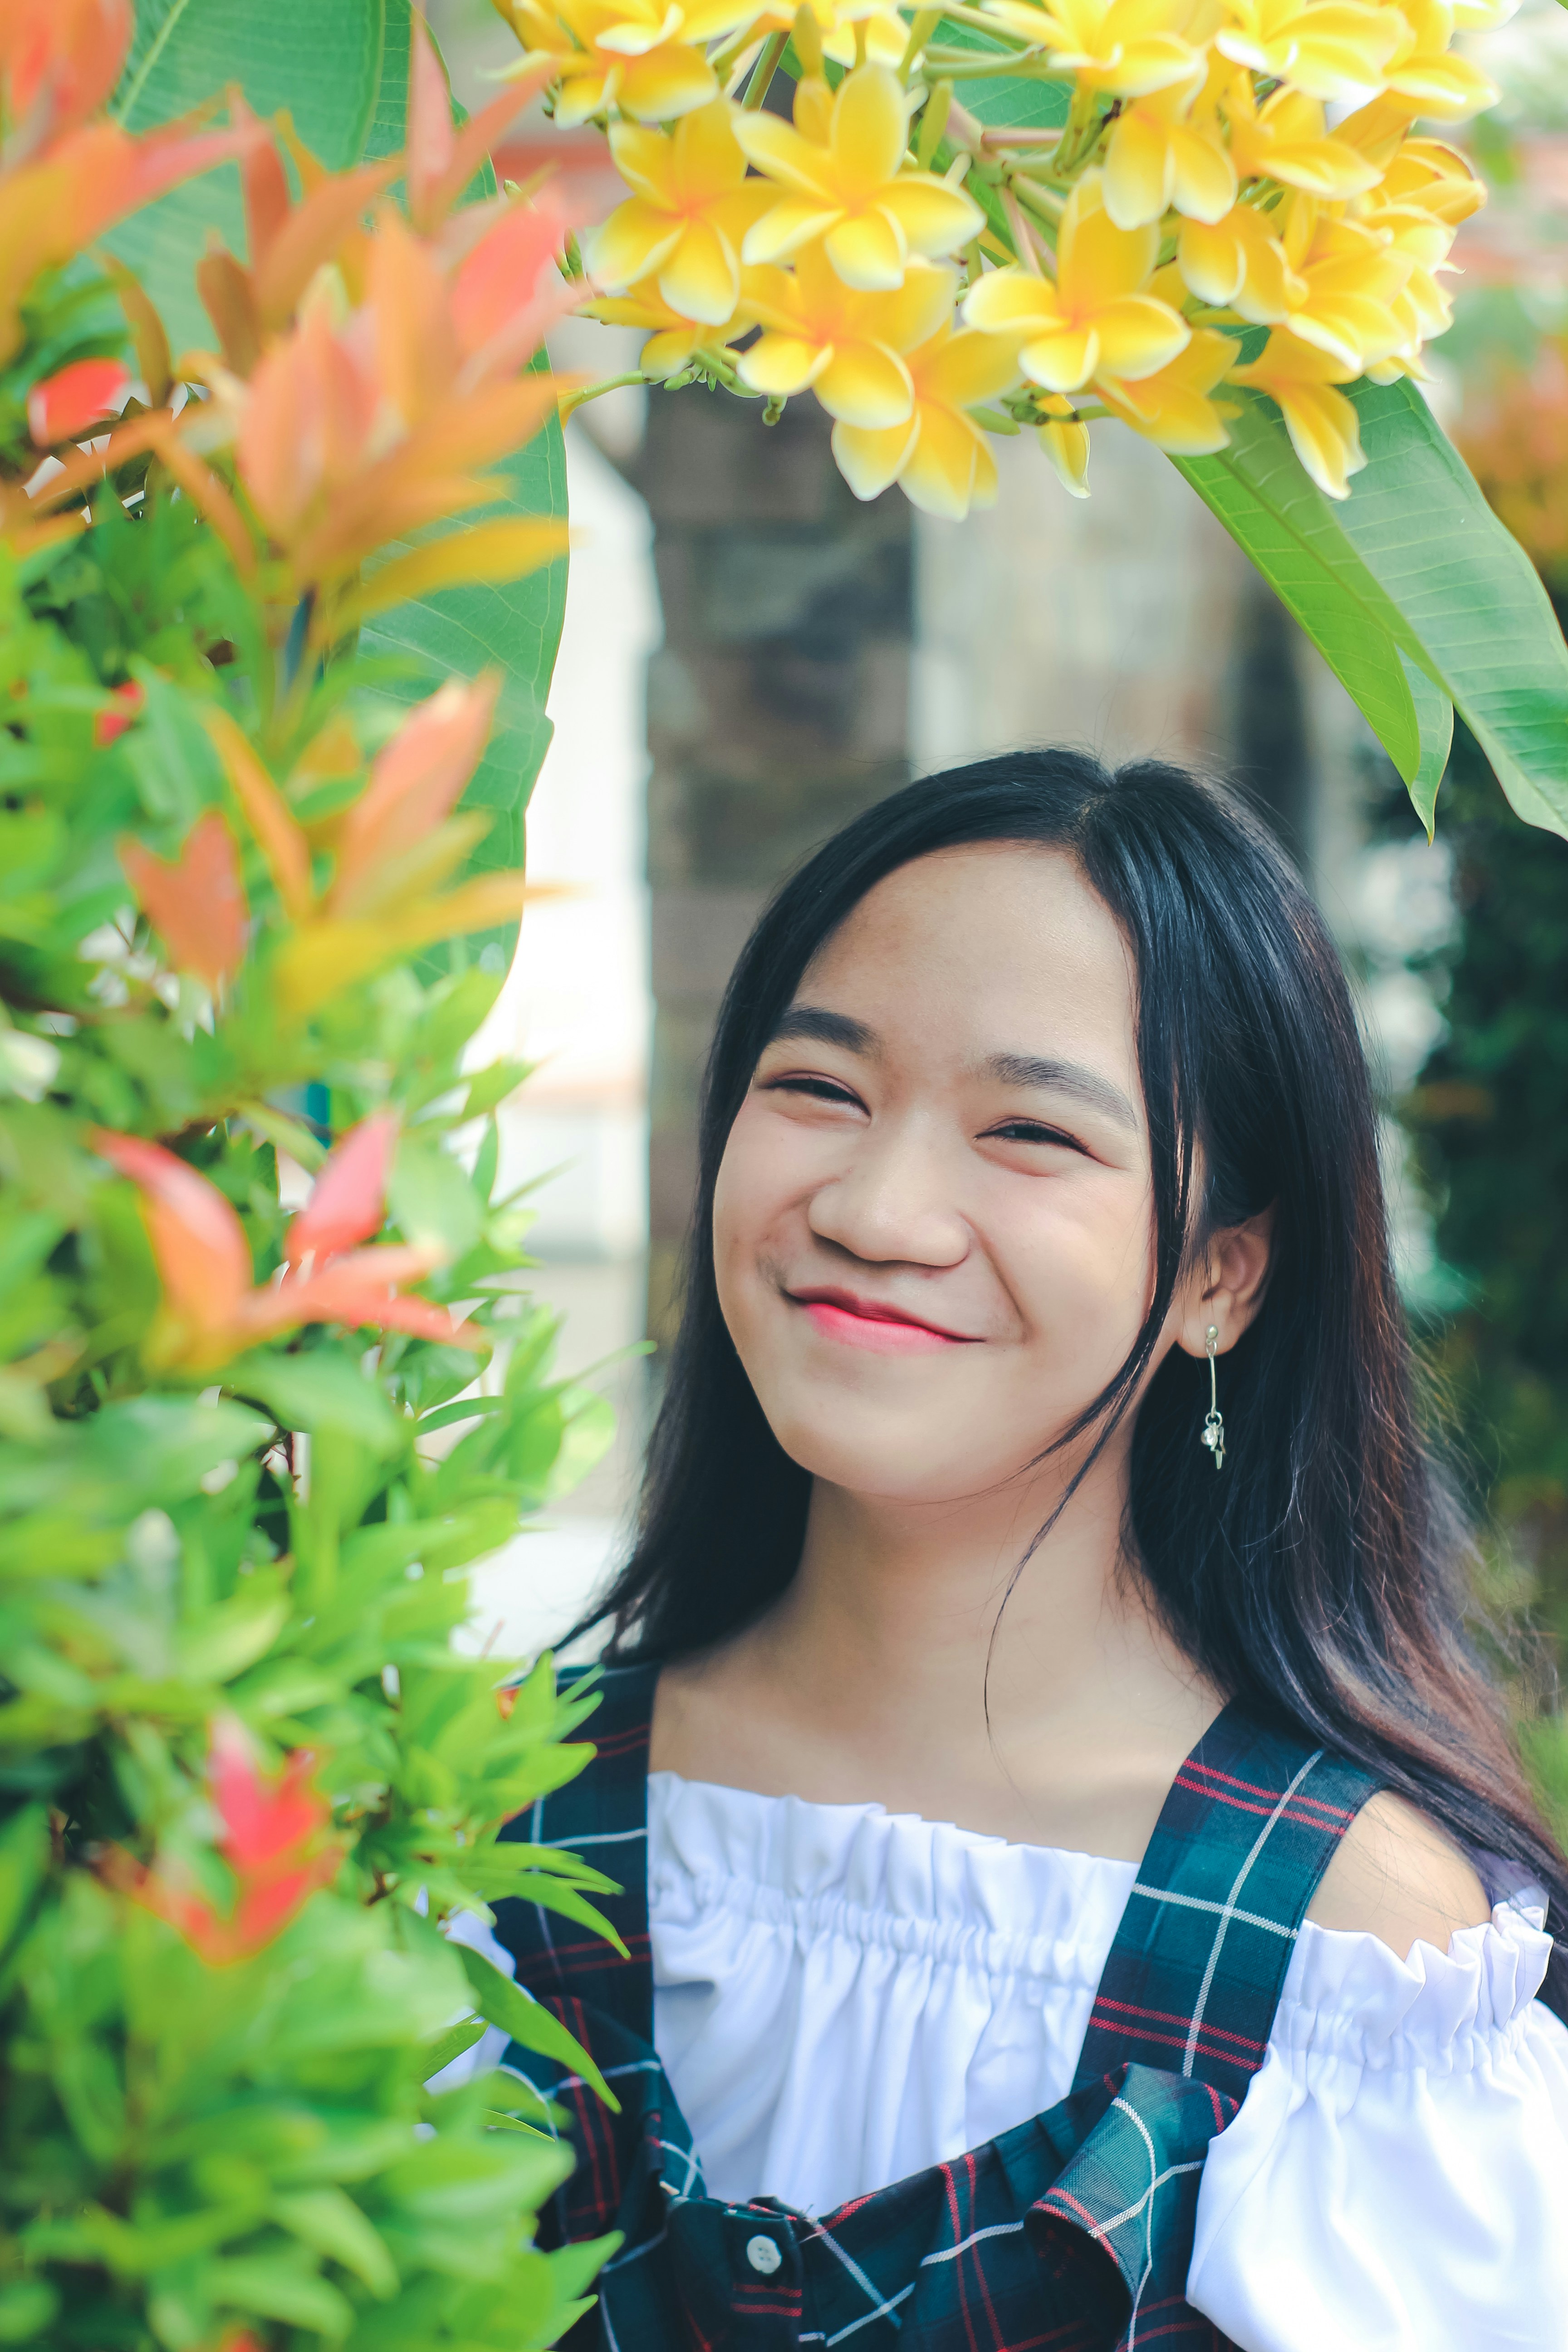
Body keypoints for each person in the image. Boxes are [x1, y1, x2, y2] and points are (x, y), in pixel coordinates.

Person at [486, 752, 1568, 2351]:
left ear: (1219, 1276)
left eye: (1030, 1132)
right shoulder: (496, 1820)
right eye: (821, 1088)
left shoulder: (1348, 1961)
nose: (876, 1209)